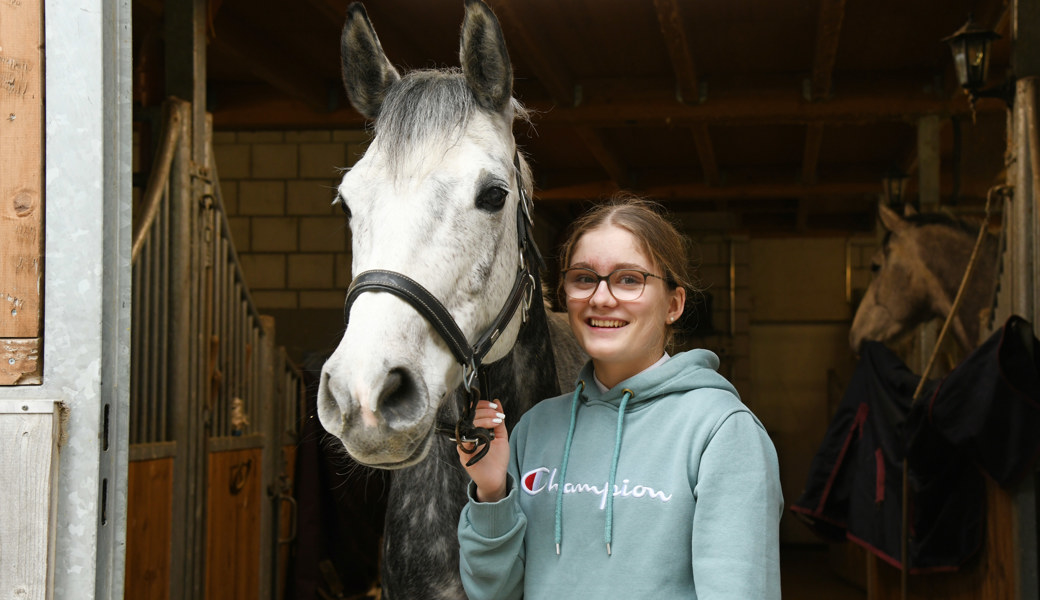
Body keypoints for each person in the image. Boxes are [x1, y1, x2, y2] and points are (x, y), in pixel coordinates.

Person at [456, 196, 783, 599]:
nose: (601, 298)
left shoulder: (722, 432)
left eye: (629, 279)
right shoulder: (534, 429)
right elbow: (494, 594)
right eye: (583, 278)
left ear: (674, 304)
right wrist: (492, 493)